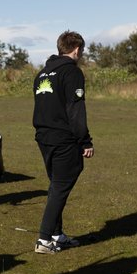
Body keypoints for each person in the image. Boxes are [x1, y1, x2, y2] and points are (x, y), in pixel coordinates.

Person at [32, 31, 94, 254]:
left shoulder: (42, 73)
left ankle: (57, 235)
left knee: (56, 184)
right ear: (77, 50)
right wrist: (85, 141)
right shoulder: (72, 72)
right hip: (63, 138)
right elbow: (75, 108)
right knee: (60, 185)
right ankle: (44, 239)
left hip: (44, 137)